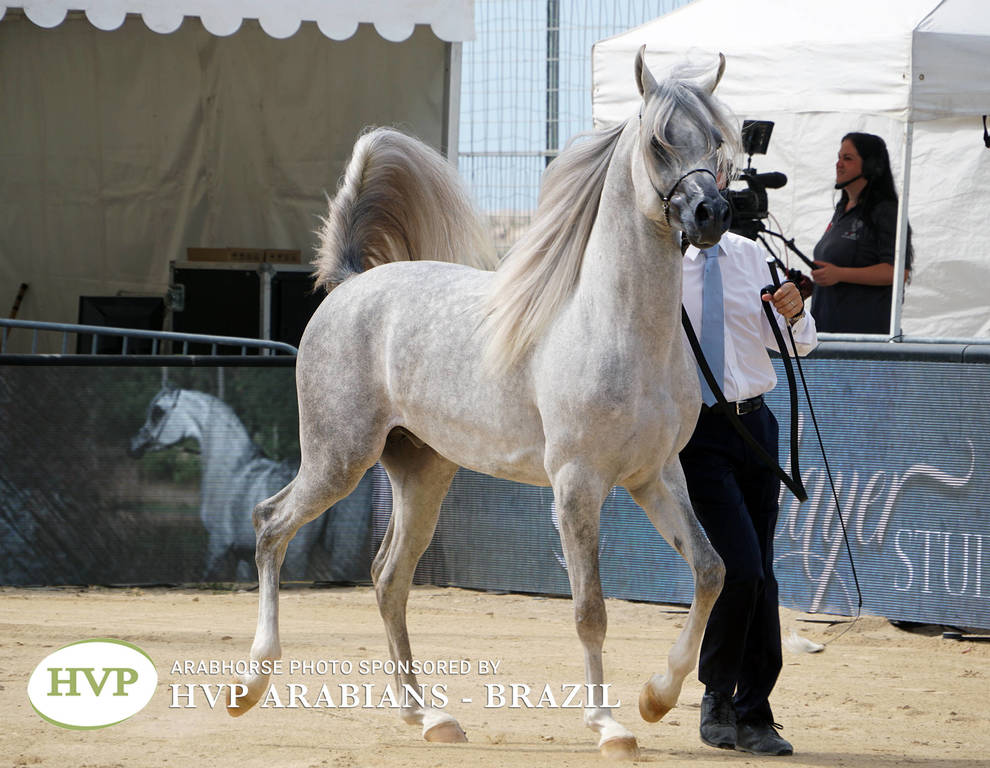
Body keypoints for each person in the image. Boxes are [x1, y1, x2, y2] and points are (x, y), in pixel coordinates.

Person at [680, 229, 818, 756]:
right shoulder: (663, 252)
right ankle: (717, 695)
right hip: (697, 433)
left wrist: (794, 311)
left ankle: (755, 712)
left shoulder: (751, 253)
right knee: (740, 568)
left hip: (757, 425)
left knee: (761, 569)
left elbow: (798, 342)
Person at [811, 132, 912, 333]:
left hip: (862, 339)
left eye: (847, 159)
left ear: (871, 166)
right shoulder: (842, 211)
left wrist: (839, 274)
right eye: (838, 158)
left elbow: (898, 272)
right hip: (826, 334)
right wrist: (814, 285)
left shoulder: (887, 212)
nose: (838, 164)